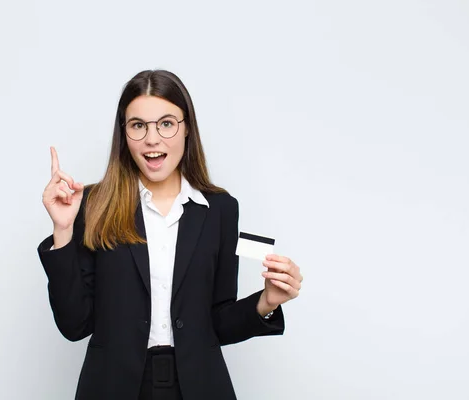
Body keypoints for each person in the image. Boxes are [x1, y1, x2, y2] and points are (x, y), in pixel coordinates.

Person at [37, 70, 303, 400]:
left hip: (198, 387)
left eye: (166, 123)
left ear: (186, 127)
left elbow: (217, 323)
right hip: (112, 387)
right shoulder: (93, 204)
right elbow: (74, 324)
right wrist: (63, 231)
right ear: (125, 133)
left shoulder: (220, 209)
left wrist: (266, 302)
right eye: (138, 125)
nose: (152, 139)